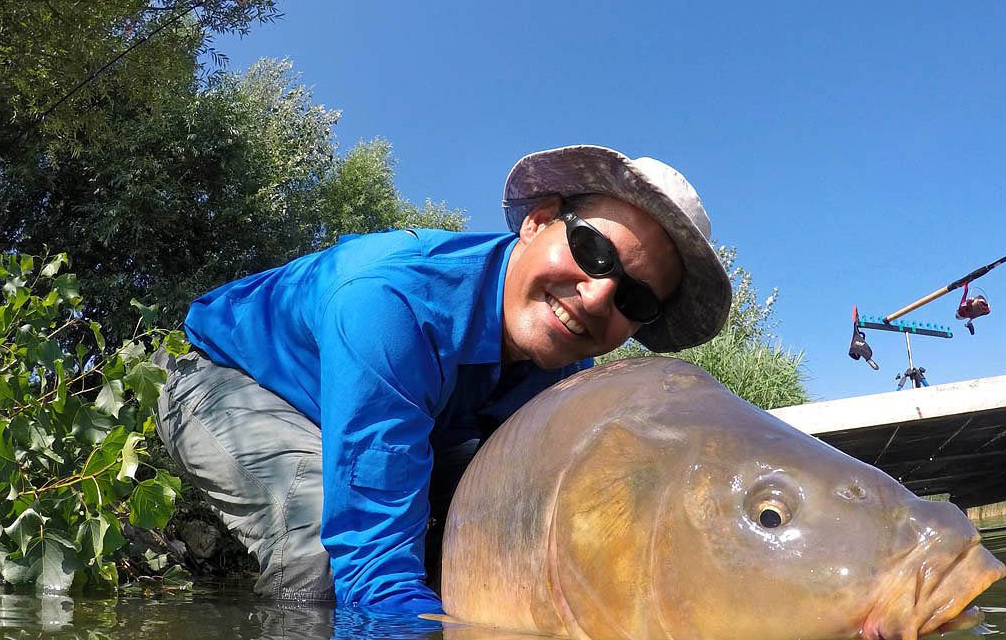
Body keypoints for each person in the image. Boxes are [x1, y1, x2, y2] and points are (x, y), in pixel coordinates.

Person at [153, 144, 731, 614]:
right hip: (222, 379)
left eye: (635, 299)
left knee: (487, 541)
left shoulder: (564, 374)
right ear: (537, 221)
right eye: (593, 250)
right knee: (325, 560)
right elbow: (372, 559)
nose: (597, 296)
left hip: (384, 415)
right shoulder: (391, 302)